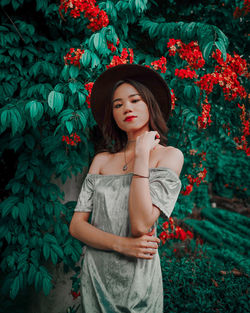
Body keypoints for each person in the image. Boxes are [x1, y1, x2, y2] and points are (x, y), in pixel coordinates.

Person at [69, 64, 184, 313]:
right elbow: (77, 226)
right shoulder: (101, 160)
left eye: (135, 100)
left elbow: (141, 224)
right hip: (96, 277)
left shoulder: (170, 156)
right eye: (118, 105)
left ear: (150, 105)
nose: (126, 108)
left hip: (138, 283)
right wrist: (121, 244)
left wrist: (142, 155)